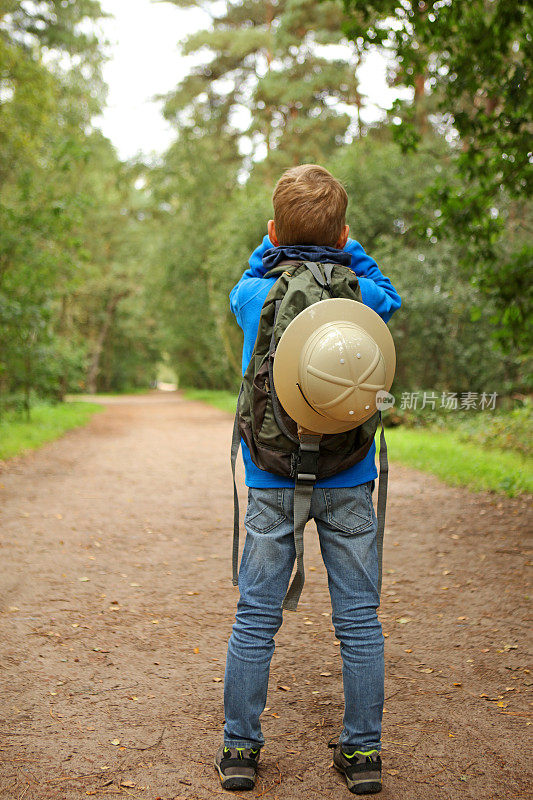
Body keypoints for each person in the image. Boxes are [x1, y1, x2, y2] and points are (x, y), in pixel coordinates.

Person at [214, 164, 401, 795]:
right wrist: (351, 251)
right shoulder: (360, 294)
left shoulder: (253, 297)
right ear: (343, 233)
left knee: (256, 615)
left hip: (270, 479)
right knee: (358, 619)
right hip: (349, 473)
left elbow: (244, 277)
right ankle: (363, 754)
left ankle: (240, 748)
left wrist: (272, 245)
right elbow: (391, 297)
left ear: (272, 230)